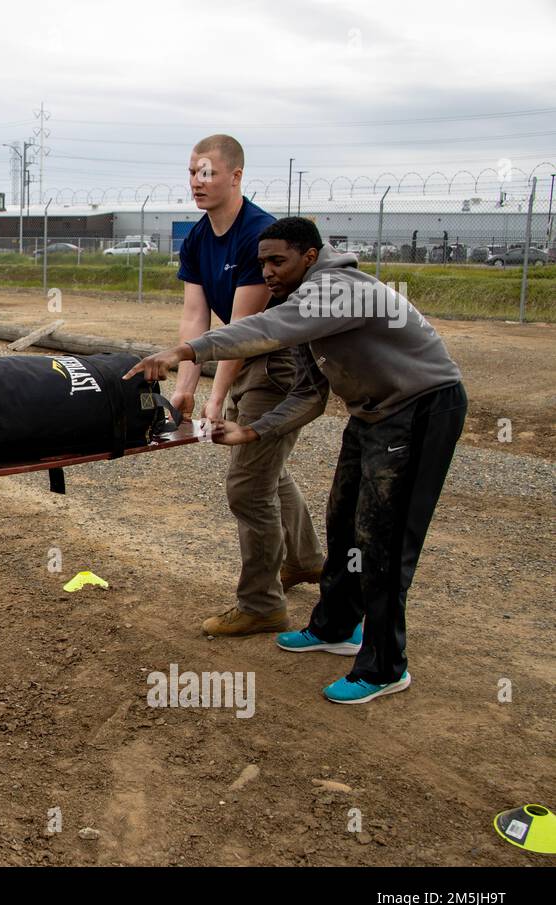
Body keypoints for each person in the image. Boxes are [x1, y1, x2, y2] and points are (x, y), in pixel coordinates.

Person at [126, 217, 467, 704]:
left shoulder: (337, 290)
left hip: (422, 409)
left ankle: (386, 666)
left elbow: (265, 329)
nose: (266, 270)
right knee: (345, 520)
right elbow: (310, 393)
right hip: (373, 413)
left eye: (277, 260)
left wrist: (187, 351)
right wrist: (251, 430)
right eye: (261, 261)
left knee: (384, 538)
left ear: (310, 256)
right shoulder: (302, 302)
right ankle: (334, 627)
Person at [174, 135, 324, 638]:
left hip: (278, 366)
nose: (198, 181)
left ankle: (262, 603)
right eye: (193, 172)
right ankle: (304, 560)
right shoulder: (198, 237)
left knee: (247, 485)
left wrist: (216, 399)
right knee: (268, 470)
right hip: (246, 360)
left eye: (209, 172)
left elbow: (244, 329)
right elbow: (197, 318)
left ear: (236, 176)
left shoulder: (259, 234)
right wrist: (184, 387)